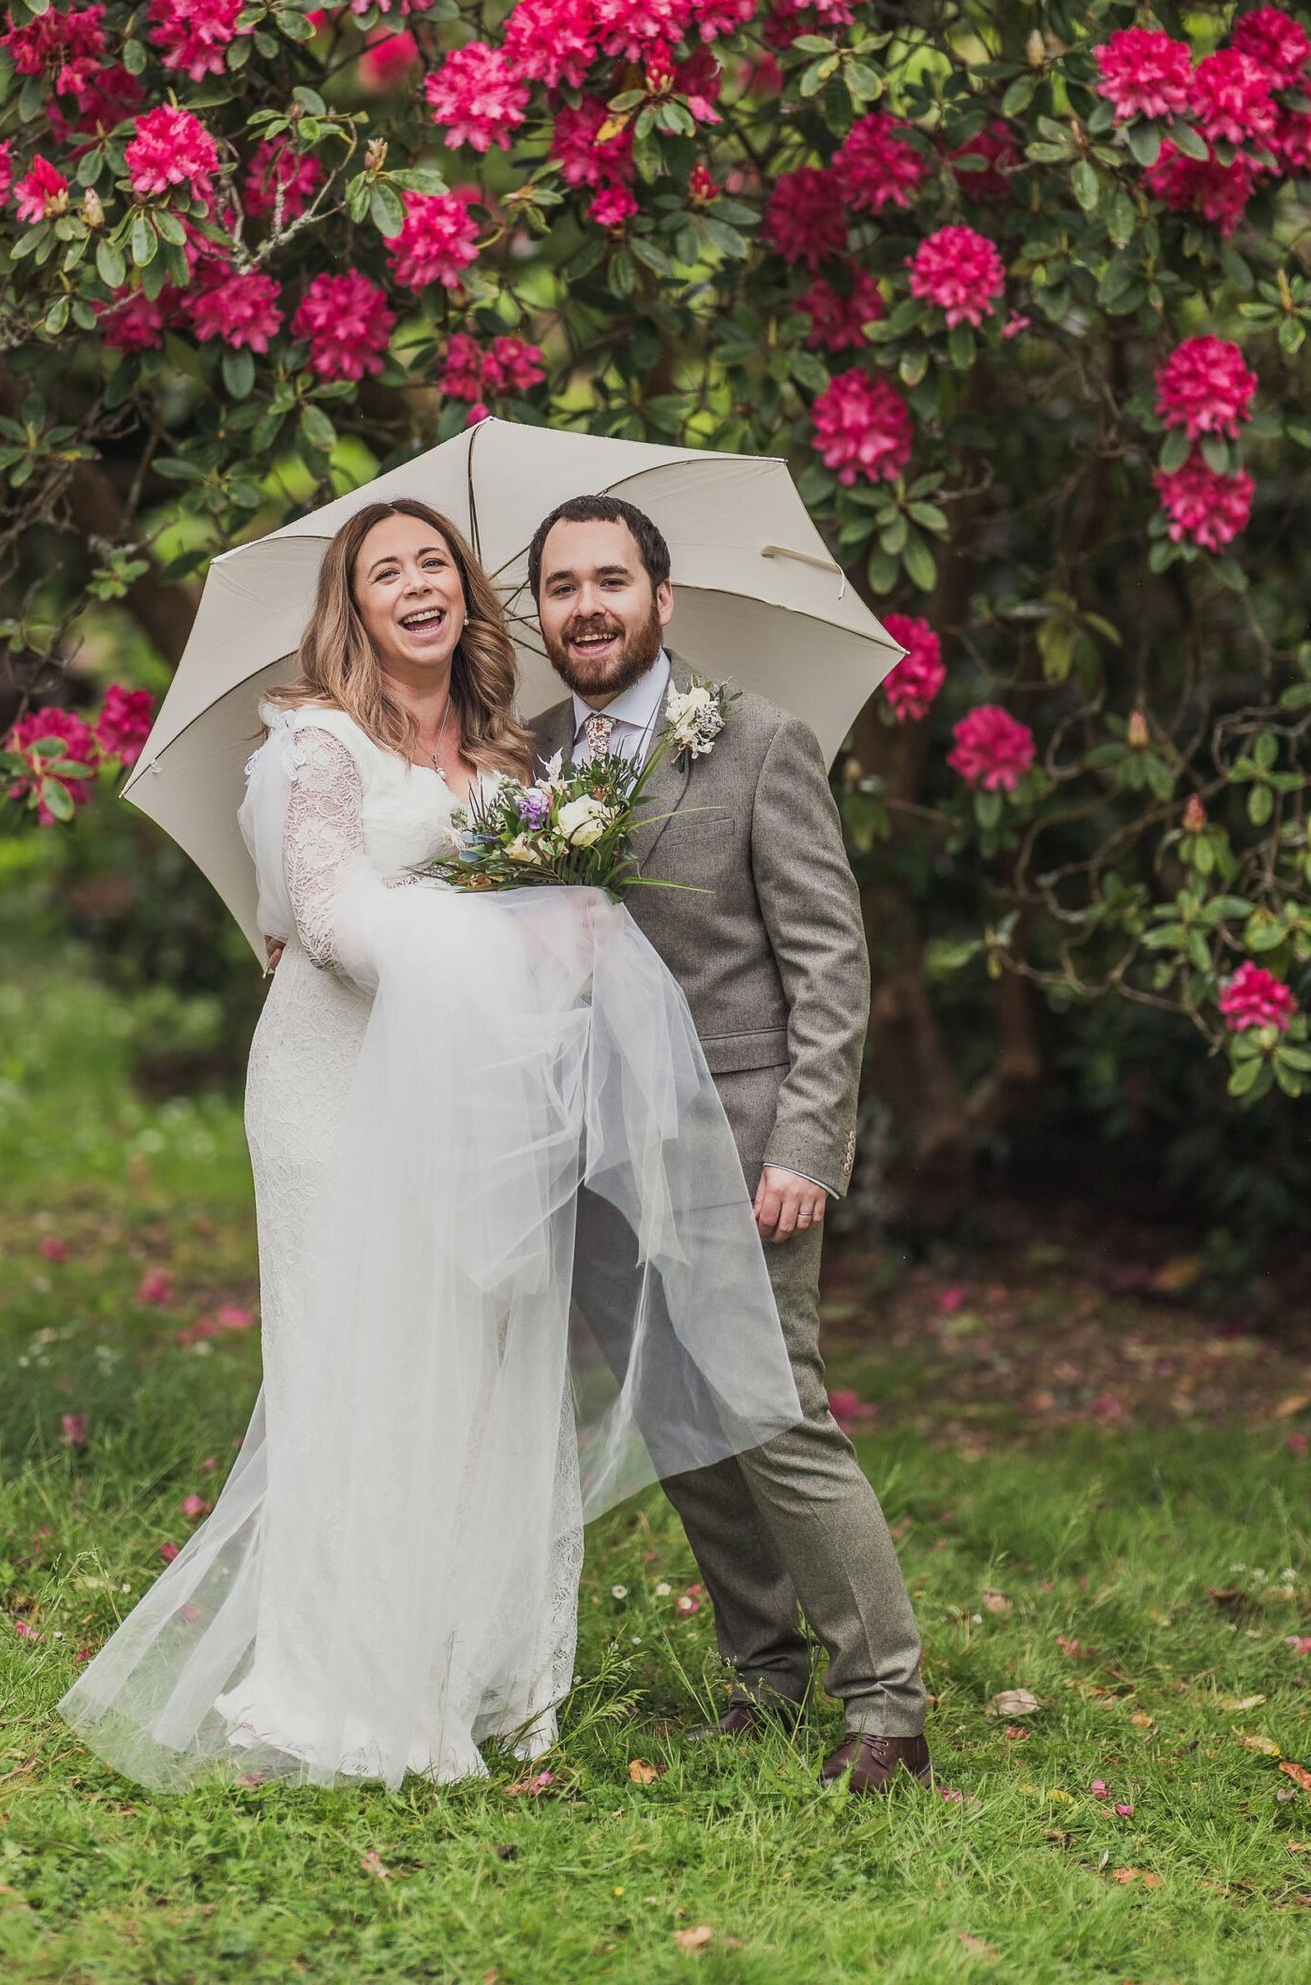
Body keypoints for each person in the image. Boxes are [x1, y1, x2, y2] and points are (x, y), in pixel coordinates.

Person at [56, 497, 803, 1793]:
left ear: (466, 595)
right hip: (338, 1098)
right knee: (356, 1374)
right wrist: (525, 940)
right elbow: (335, 926)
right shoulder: (315, 744)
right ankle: (337, 1690)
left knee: (466, 1372)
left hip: (472, 1108)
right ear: (353, 607)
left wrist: (567, 937)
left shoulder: (517, 759)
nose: (414, 584)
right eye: (383, 570)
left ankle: (445, 1675)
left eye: (434, 565)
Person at [526, 493, 931, 1796]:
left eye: (609, 580)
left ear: (662, 599)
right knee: (683, 1417)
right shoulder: (521, 762)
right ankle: (764, 1679)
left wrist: (808, 1145)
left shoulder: (756, 743)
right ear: (539, 615)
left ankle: (888, 1706)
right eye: (559, 587)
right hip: (593, 1152)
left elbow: (830, 964)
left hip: (744, 1139)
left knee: (775, 1414)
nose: (585, 606)